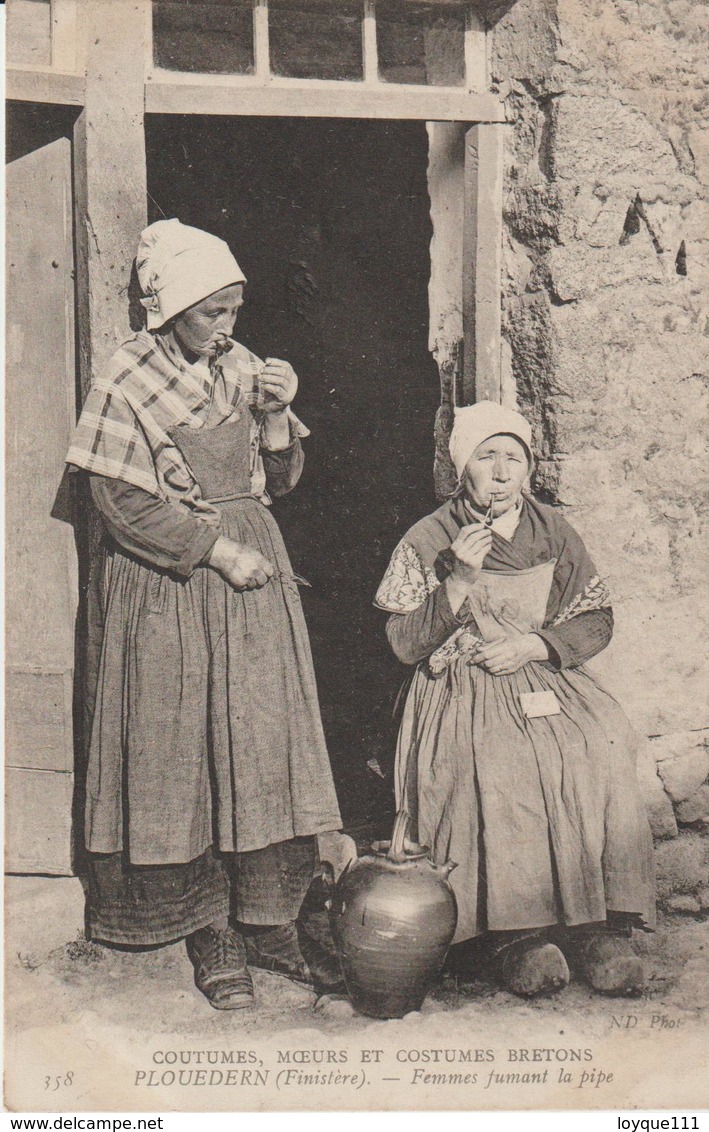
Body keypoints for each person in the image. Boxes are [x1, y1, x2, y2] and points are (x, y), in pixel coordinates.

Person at [66, 219, 342, 1010]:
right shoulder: (125, 377)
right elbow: (116, 502)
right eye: (211, 312)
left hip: (255, 579)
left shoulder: (244, 368)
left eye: (234, 309)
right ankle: (206, 927)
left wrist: (281, 420)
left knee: (257, 738)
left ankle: (268, 919)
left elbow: (279, 483)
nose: (225, 327)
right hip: (170, 579)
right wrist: (216, 551)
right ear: (170, 308)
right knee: (179, 744)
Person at [375, 401, 655, 998]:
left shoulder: (552, 530)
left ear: (529, 468)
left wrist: (536, 645)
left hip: (538, 668)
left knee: (598, 743)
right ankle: (511, 933)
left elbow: (596, 617)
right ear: (462, 469)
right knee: (500, 762)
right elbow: (402, 643)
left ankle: (597, 925)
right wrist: (457, 582)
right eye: (486, 457)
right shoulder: (428, 537)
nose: (501, 473)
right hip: (461, 682)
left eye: (514, 458)